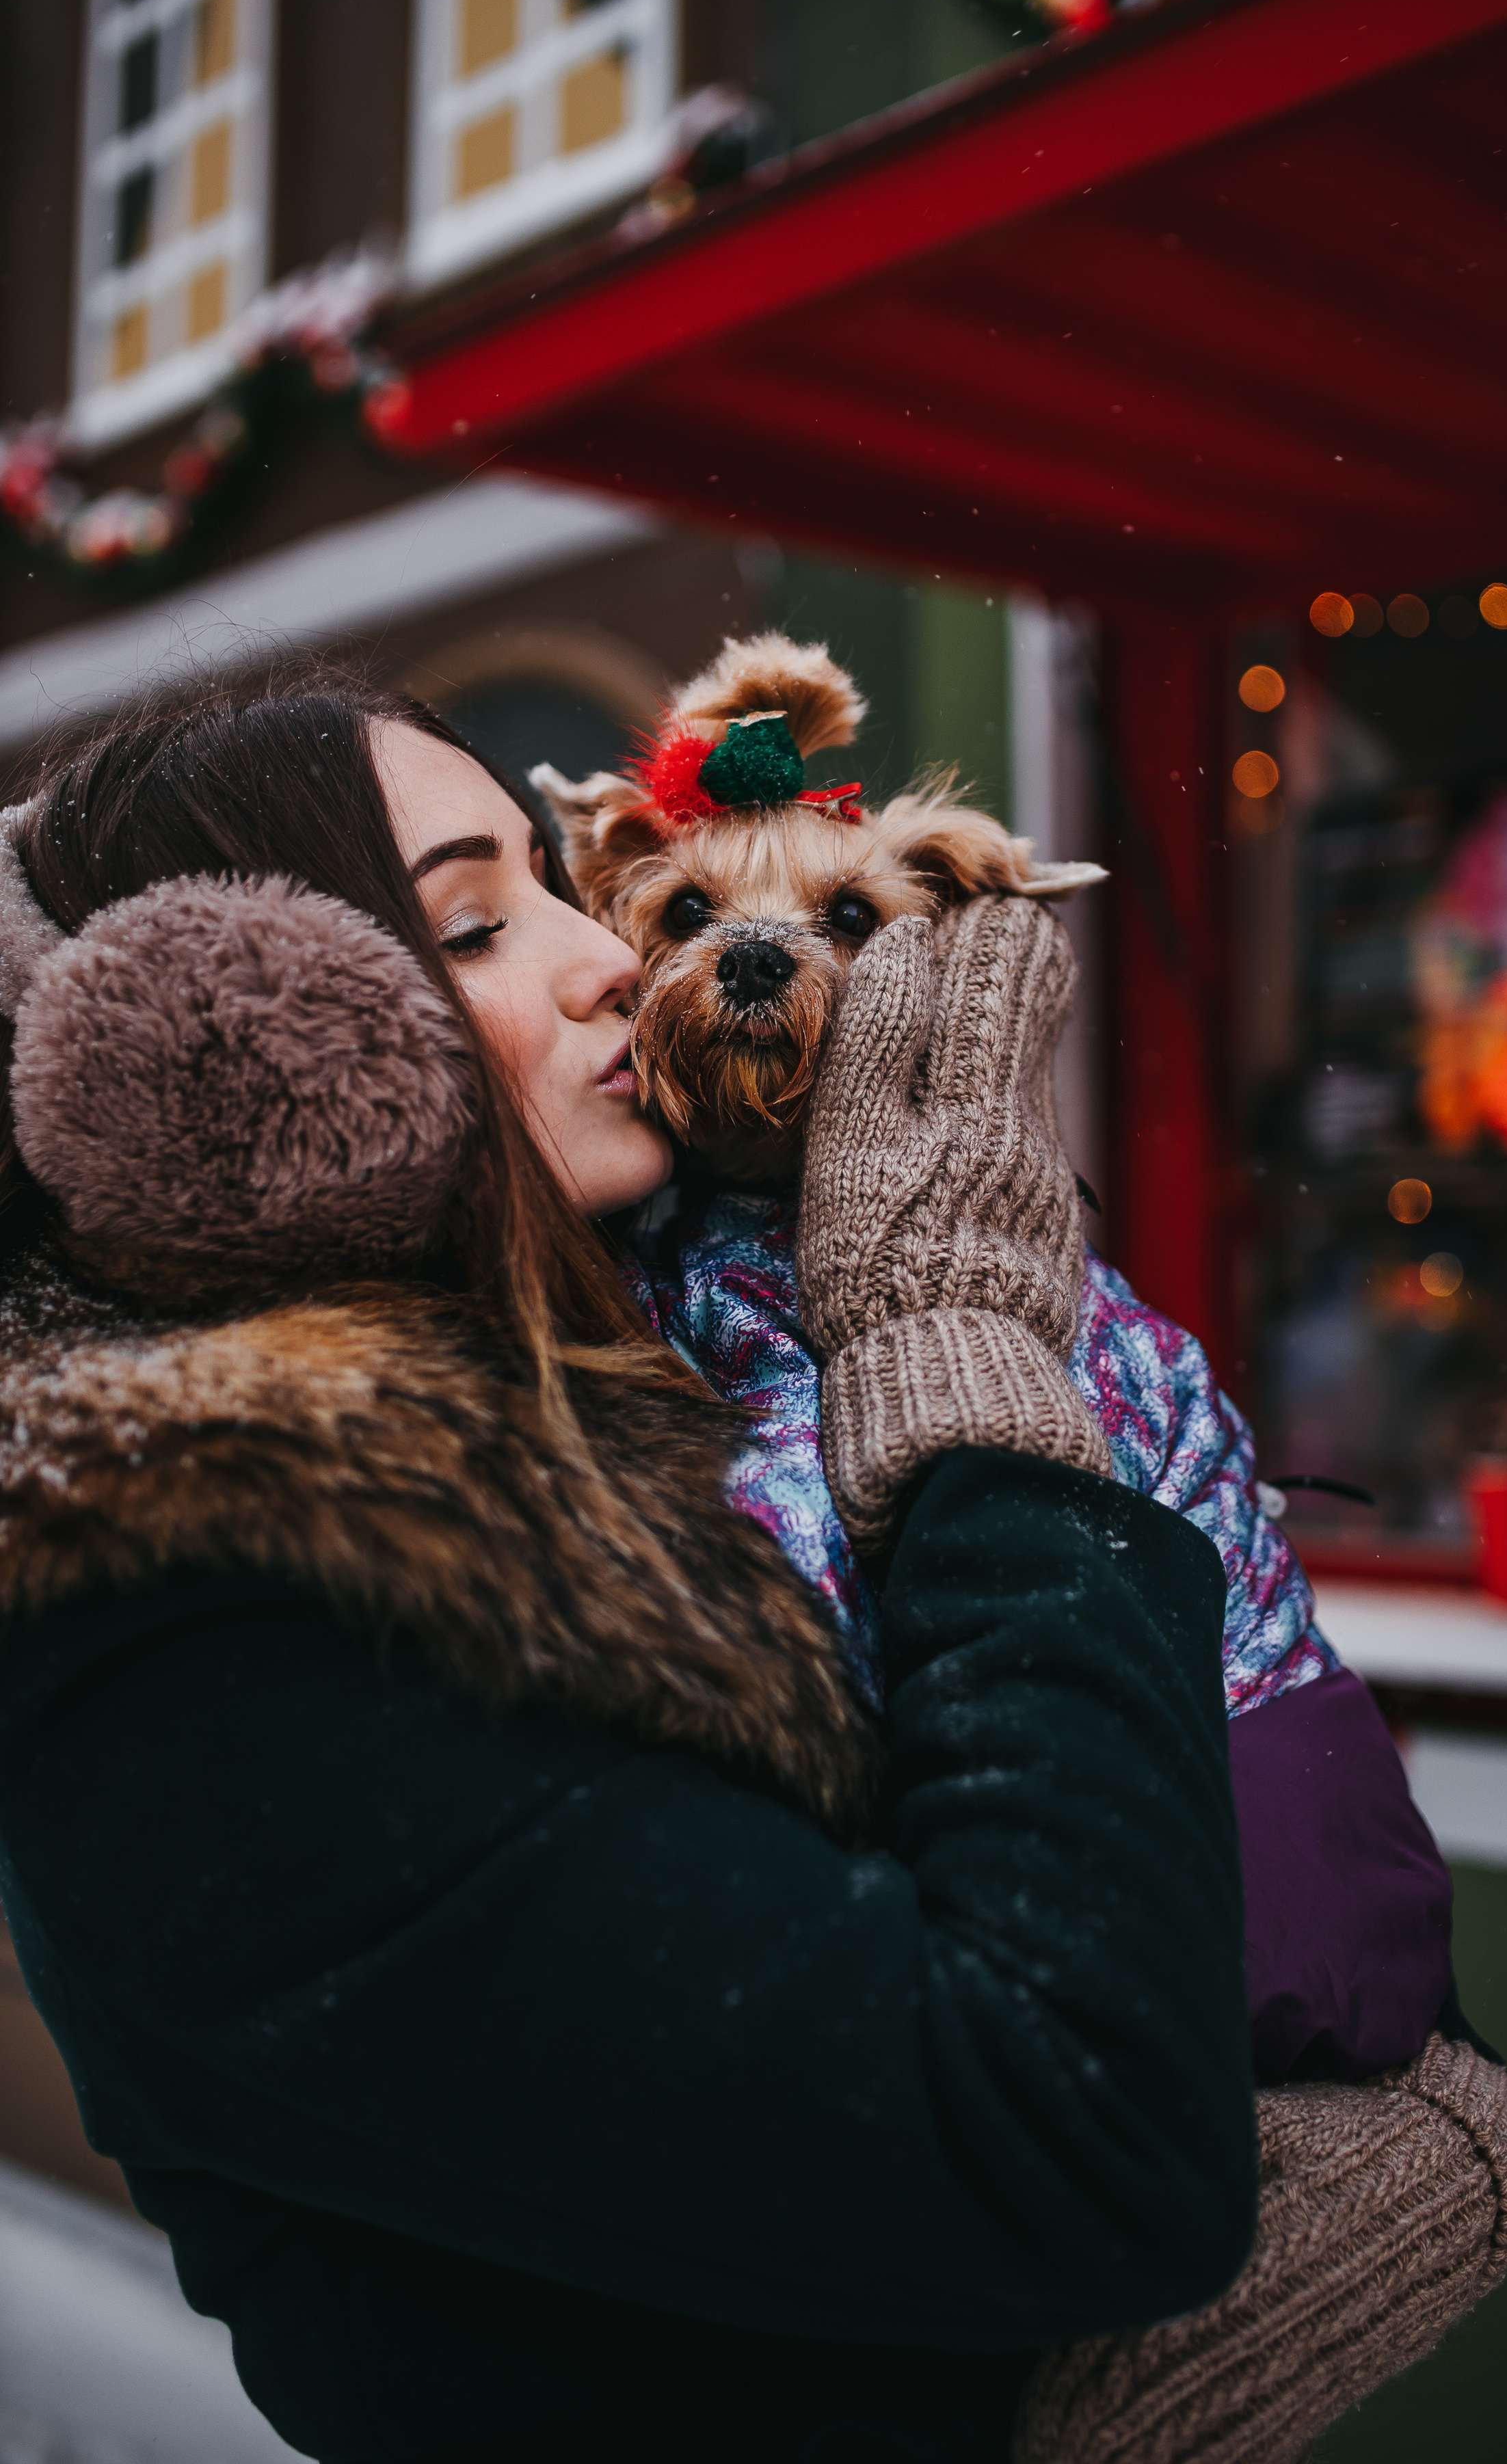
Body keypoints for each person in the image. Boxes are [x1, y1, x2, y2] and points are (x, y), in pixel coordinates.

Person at [0, 671, 1259, 2464]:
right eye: (473, 920)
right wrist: (959, 1345)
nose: (605, 952)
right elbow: (1083, 2136)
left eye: (553, 880)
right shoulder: (210, 1664)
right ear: (257, 1052)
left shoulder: (583, 1434)